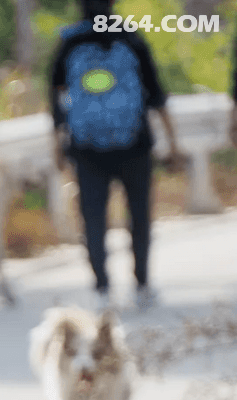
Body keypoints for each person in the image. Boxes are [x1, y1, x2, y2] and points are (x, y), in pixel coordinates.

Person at [49, 0, 182, 310]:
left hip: (86, 148)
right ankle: (142, 284)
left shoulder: (69, 41)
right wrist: (173, 144)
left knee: (93, 219)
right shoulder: (130, 37)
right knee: (139, 216)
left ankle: (101, 288)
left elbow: (56, 100)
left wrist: (56, 146)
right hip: (134, 144)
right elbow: (156, 95)